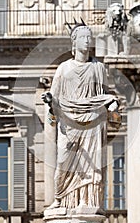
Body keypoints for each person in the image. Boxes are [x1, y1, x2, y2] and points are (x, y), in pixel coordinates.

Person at [42, 21, 119, 210]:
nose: (87, 41)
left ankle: (89, 202)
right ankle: (59, 200)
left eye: (89, 38)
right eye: (83, 38)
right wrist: (51, 107)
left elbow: (102, 96)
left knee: (91, 166)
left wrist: (112, 105)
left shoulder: (98, 68)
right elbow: (54, 100)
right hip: (68, 123)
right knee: (63, 162)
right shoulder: (63, 68)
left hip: (92, 122)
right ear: (74, 42)